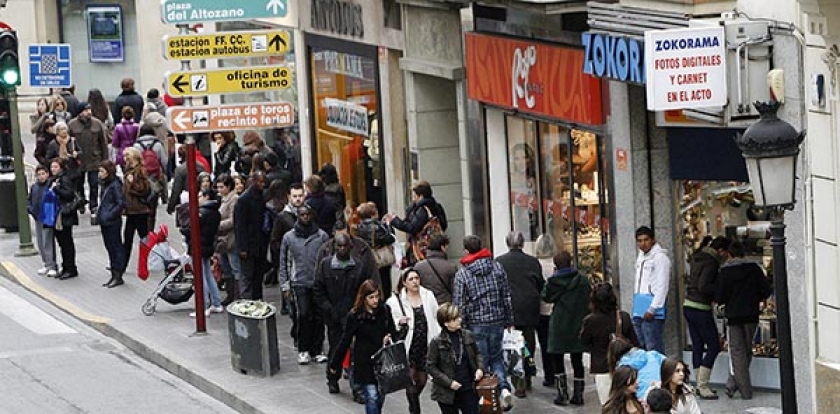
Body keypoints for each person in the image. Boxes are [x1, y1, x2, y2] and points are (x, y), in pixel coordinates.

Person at [452, 235, 514, 410]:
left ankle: (485, 396)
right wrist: (509, 319)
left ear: (466, 250)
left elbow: (459, 303)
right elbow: (506, 295)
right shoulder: (497, 267)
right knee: (497, 358)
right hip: (497, 319)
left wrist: (460, 325)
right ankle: (503, 388)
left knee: (480, 360)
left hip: (475, 322)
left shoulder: (463, 274)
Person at [314, 233, 378, 393]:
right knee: (336, 349)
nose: (342, 249)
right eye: (339, 246)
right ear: (334, 247)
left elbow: (363, 290)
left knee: (356, 353)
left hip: (353, 315)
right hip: (334, 316)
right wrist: (329, 309)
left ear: (350, 247)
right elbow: (318, 290)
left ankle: (357, 388)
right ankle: (332, 378)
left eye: (345, 246)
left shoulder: (358, 265)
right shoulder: (325, 265)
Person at [328, 280, 402, 414]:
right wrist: (334, 364)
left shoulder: (384, 311)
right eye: (371, 297)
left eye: (377, 296)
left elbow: (392, 331)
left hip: (382, 360)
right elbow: (345, 340)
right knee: (372, 396)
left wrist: (389, 336)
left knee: (380, 395)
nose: (375, 300)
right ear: (364, 298)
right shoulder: (355, 316)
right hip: (365, 362)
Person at [715, 241, 772, 400]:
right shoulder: (754, 269)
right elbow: (766, 290)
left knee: (737, 352)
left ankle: (744, 390)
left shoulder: (725, 272)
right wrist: (755, 298)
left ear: (730, 254)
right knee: (747, 350)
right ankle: (733, 384)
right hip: (752, 315)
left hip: (733, 316)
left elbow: (720, 296)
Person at [279, 203, 330, 364]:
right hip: (299, 282)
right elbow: (284, 262)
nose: (305, 218)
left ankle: (318, 348)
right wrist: (285, 285)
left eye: (307, 214)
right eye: (302, 215)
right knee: (303, 315)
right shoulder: (289, 237)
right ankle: (303, 349)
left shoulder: (321, 236)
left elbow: (326, 259)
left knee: (318, 316)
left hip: (317, 282)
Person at [385, 268, 441, 413]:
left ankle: (413, 401)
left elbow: (436, 316)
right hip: (407, 346)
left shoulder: (428, 295)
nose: (415, 281)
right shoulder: (395, 301)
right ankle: (415, 410)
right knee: (409, 380)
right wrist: (399, 321)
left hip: (425, 344)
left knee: (422, 380)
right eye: (411, 279)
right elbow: (390, 322)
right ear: (404, 282)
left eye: (417, 278)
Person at [496, 231, 543, 397]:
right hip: (530, 307)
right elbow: (540, 284)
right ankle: (529, 371)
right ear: (522, 244)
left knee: (514, 346)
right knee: (528, 344)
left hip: (510, 309)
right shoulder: (532, 261)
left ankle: (519, 383)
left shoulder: (499, 262)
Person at [542, 250, 591, 406]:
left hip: (559, 324)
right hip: (578, 322)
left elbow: (546, 296)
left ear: (556, 265)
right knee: (577, 360)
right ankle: (578, 395)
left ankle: (562, 394)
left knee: (558, 359)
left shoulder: (553, 282)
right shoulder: (583, 280)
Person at [683, 236, 729, 400]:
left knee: (697, 345)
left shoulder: (698, 257)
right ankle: (703, 385)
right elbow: (704, 286)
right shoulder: (711, 262)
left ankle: (698, 384)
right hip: (700, 307)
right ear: (721, 251)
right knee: (714, 346)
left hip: (688, 305)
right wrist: (719, 291)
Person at [581, 283, 640, 405]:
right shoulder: (623, 317)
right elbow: (635, 343)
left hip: (602, 367)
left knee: (608, 405)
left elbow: (583, 341)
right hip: (624, 368)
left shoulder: (590, 320)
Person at [427, 303, 484, 414]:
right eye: (455, 318)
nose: (460, 319)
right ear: (446, 323)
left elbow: (478, 354)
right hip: (447, 393)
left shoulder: (468, 335)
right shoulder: (436, 342)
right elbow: (430, 367)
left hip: (468, 387)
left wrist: (480, 368)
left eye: (459, 316)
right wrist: (449, 383)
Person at [384, 180, 447, 264]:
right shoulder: (436, 206)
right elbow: (444, 225)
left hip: (422, 247)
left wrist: (395, 220)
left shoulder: (422, 209)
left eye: (414, 195)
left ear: (420, 196)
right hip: (436, 246)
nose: (413, 198)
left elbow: (412, 227)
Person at [185, 189, 224, 318]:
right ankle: (216, 302)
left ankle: (204, 305)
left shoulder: (202, 213)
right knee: (207, 274)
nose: (198, 198)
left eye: (200, 196)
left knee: (200, 276)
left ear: (207, 197)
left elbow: (190, 229)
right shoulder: (216, 213)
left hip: (198, 247)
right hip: (208, 246)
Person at [632, 226, 671, 354]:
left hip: (652, 308)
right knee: (641, 346)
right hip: (638, 307)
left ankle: (660, 373)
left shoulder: (660, 258)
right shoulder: (641, 256)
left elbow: (662, 285)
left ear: (652, 240)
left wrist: (653, 308)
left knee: (653, 346)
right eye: (639, 241)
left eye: (646, 240)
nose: (643, 243)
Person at [68, 102, 109, 214]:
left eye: (89, 110)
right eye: (86, 110)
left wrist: (105, 160)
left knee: (94, 184)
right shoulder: (72, 125)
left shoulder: (97, 124)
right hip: (79, 161)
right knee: (78, 184)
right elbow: (68, 143)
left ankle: (93, 205)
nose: (88, 112)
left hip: (94, 159)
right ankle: (81, 203)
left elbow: (103, 143)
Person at [235, 172, 270, 300]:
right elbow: (240, 225)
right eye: (260, 182)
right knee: (248, 276)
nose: (262, 184)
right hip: (249, 245)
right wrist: (242, 247)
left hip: (259, 243)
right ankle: (248, 301)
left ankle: (257, 299)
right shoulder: (244, 200)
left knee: (257, 275)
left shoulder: (260, 197)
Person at [97, 160, 127, 288]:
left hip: (112, 220)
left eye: (102, 171)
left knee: (115, 246)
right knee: (109, 246)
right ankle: (114, 273)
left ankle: (118, 274)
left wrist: (110, 215)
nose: (99, 174)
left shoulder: (114, 185)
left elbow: (120, 203)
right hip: (105, 220)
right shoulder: (105, 184)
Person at [355, 201, 395, 293]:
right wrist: (388, 225)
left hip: (368, 257)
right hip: (380, 258)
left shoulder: (360, 227)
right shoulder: (376, 227)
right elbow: (390, 238)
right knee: (384, 283)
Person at [121, 147, 151, 267]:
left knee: (143, 237)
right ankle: (122, 264)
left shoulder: (140, 171)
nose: (125, 160)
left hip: (139, 210)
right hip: (131, 210)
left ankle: (150, 258)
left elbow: (144, 190)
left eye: (127, 157)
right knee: (128, 238)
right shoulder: (128, 171)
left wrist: (132, 183)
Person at [50, 158, 79, 280]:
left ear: (61, 167)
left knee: (66, 242)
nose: (53, 169)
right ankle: (66, 267)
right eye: (52, 167)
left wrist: (56, 189)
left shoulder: (64, 179)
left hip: (65, 215)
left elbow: (69, 194)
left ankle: (70, 268)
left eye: (55, 167)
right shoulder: (55, 179)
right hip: (58, 214)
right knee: (62, 243)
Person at [214, 174, 240, 306]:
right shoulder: (223, 199)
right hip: (223, 240)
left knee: (235, 267)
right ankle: (231, 294)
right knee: (226, 267)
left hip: (231, 239)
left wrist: (217, 224)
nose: (219, 190)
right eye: (217, 187)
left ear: (228, 186)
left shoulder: (234, 200)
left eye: (221, 187)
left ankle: (237, 296)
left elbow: (233, 220)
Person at [28, 165, 58, 277]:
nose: (41, 177)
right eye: (39, 174)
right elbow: (30, 199)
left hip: (47, 218)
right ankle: (46, 263)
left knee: (47, 241)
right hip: (38, 217)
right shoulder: (34, 187)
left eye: (43, 174)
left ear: (47, 174)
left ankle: (51, 265)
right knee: (40, 242)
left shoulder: (50, 186)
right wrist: (30, 209)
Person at [414, 234, 456, 305]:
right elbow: (455, 290)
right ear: (442, 247)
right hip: (445, 305)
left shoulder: (418, 266)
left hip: (426, 304)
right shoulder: (450, 267)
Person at [167, 146, 207, 214]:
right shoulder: (201, 166)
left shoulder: (179, 170)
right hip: (200, 198)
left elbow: (176, 190)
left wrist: (171, 206)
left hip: (186, 200)